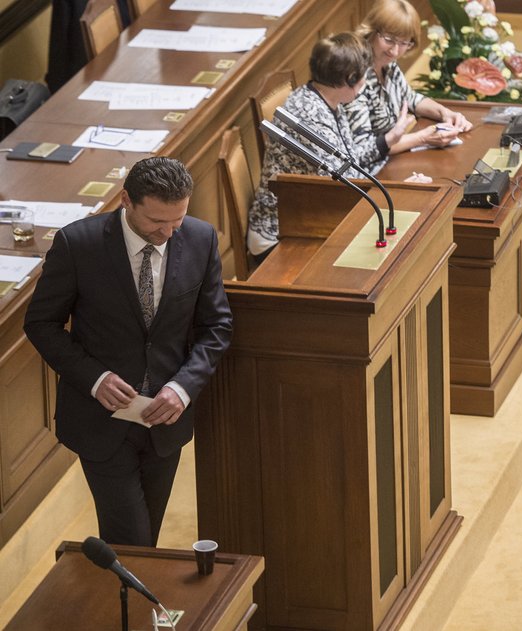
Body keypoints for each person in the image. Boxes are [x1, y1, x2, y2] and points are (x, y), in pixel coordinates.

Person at [24, 157, 233, 547]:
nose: (169, 232)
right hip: (101, 423)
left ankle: (122, 606)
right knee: (131, 540)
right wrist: (95, 378)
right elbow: (40, 324)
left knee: (145, 539)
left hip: (166, 422)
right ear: (126, 201)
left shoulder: (200, 239)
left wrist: (183, 388)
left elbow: (216, 327)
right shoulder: (78, 245)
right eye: (157, 222)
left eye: (177, 220)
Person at [247, 32, 411, 259]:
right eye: (364, 72)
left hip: (314, 212)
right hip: (280, 232)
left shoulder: (327, 96)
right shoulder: (311, 118)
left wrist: (389, 139)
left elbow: (347, 161)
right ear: (351, 77)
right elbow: (347, 188)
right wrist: (405, 191)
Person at [351, 0, 473, 154]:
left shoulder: (389, 65)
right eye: (389, 40)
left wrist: (445, 113)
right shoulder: (355, 75)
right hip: (369, 169)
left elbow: (409, 98)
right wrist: (422, 138)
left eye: (404, 43)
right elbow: (364, 149)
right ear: (371, 31)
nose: (395, 51)